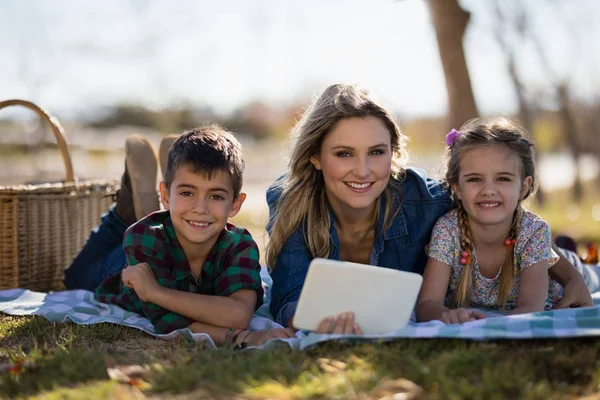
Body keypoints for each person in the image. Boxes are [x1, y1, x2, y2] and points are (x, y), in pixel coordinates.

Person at [265, 84, 594, 334]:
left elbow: (512, 222)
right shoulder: (294, 202)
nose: (363, 171)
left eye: (376, 152)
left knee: (578, 263)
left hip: (527, 268)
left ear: (393, 154)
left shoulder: (428, 199)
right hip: (481, 279)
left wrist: (570, 276)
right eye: (344, 154)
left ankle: (575, 254)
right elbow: (288, 295)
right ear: (315, 157)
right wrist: (315, 323)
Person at [68, 127, 294, 346]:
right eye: (187, 193)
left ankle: (145, 206)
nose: (200, 208)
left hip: (166, 236)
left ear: (235, 204)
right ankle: (122, 214)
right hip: (124, 267)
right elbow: (167, 320)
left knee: (167, 227)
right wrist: (241, 338)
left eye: (216, 196)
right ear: (165, 194)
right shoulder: (144, 238)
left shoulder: (239, 245)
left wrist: (155, 292)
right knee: (75, 277)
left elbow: (238, 315)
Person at [415, 118, 595, 324]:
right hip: (540, 248)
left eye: (503, 179)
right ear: (456, 187)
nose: (488, 190)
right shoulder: (447, 230)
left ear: (524, 187)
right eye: (474, 179)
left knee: (591, 273)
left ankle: (577, 256)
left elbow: (531, 309)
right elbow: (427, 305)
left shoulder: (533, 231)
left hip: (569, 278)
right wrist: (446, 315)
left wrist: (487, 326)